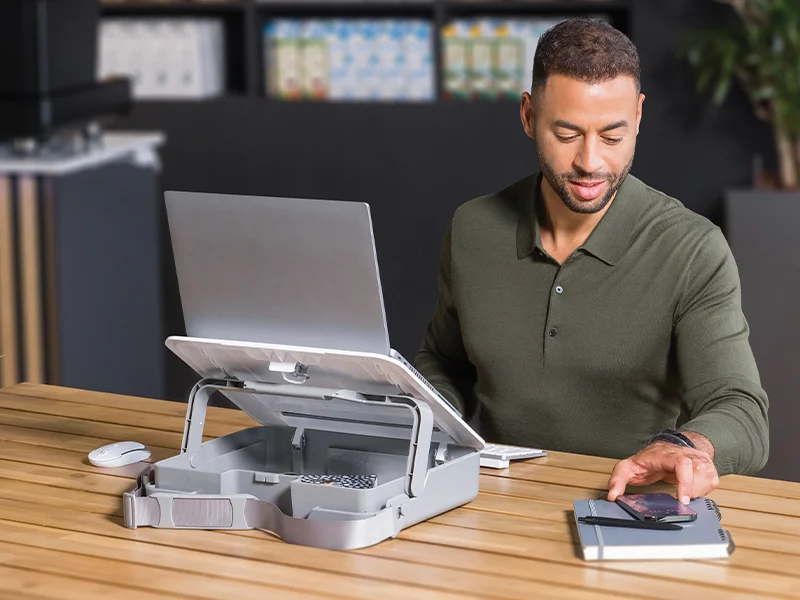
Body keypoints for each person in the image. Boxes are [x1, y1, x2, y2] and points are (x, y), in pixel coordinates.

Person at [413, 17, 769, 504]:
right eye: (566, 133)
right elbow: (446, 364)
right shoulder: (473, 228)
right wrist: (419, 424)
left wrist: (686, 447)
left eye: (612, 135)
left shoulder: (692, 248)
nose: (590, 162)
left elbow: (741, 408)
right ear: (528, 116)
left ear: (639, 117)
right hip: (493, 506)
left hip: (628, 510)